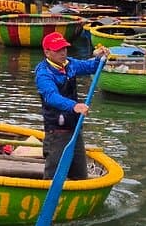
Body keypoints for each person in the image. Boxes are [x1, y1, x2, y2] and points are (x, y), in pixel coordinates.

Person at [34, 31, 110, 180]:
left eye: (64, 48)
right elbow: (51, 97)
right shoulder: (43, 73)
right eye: (58, 50)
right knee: (53, 175)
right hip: (57, 131)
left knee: (80, 175)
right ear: (47, 52)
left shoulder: (70, 64)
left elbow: (90, 66)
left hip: (74, 128)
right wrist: (74, 106)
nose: (63, 53)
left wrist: (100, 58)